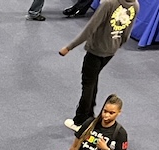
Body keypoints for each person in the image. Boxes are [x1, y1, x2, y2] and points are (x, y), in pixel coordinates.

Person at [59, 0, 139, 131]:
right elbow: (127, 32)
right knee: (93, 79)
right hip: (111, 50)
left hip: (96, 50)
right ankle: (90, 114)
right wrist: (116, 45)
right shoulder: (135, 5)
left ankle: (80, 120)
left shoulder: (109, 3)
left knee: (88, 84)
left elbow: (90, 28)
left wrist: (69, 47)